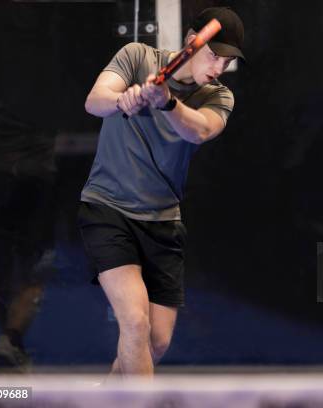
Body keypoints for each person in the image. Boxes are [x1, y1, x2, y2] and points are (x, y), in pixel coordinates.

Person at [77, 7, 245, 377]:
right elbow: (94, 101)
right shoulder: (137, 56)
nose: (218, 67)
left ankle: (105, 398)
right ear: (190, 42)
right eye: (213, 54)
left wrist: (166, 102)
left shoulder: (219, 96)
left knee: (155, 342)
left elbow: (199, 131)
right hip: (108, 210)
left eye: (227, 60)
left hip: (163, 222)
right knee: (135, 324)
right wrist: (122, 100)